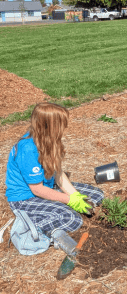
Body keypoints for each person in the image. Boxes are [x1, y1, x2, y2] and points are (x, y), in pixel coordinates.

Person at [5, 103, 104, 254]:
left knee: (97, 195)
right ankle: (34, 226)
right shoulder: (28, 149)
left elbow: (57, 173)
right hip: (26, 198)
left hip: (46, 187)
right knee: (72, 219)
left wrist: (75, 195)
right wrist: (69, 200)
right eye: (61, 124)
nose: (65, 127)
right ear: (49, 126)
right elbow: (37, 189)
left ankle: (57, 212)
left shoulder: (49, 140)